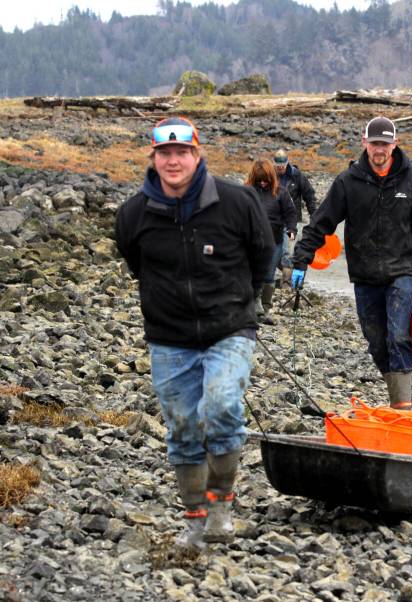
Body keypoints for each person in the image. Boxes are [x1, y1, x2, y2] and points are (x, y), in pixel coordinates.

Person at [114, 117, 273, 549]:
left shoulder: (237, 202)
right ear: (153, 157)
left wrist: (243, 301)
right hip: (169, 339)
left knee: (222, 406)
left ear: (197, 154)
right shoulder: (133, 214)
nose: (173, 160)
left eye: (181, 152)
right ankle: (195, 519)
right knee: (183, 427)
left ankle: (221, 504)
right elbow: (134, 262)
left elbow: (263, 256)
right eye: (164, 153)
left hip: (230, 330)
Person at [291, 117, 412, 410]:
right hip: (364, 275)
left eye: (385, 144)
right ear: (365, 143)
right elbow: (320, 223)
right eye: (374, 144)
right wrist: (301, 261)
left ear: (394, 144)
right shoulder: (348, 182)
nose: (379, 150)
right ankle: (396, 395)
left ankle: (403, 407)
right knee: (376, 342)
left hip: (402, 272)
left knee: (398, 335)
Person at [244, 158, 297, 321]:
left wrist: (292, 229)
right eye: (259, 181)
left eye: (265, 180)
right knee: (249, 273)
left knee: (269, 275)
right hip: (250, 240)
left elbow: (290, 213)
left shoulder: (281, 192)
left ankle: (265, 310)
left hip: (274, 240)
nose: (263, 184)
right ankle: (252, 304)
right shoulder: (246, 191)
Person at [273, 149, 317, 286]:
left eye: (282, 165)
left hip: (292, 222)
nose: (280, 168)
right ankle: (288, 276)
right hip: (274, 220)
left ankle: (287, 283)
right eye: (277, 165)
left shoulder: (297, 176)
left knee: (289, 250)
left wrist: (315, 218)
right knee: (275, 252)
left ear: (287, 163)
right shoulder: (270, 175)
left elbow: (309, 196)